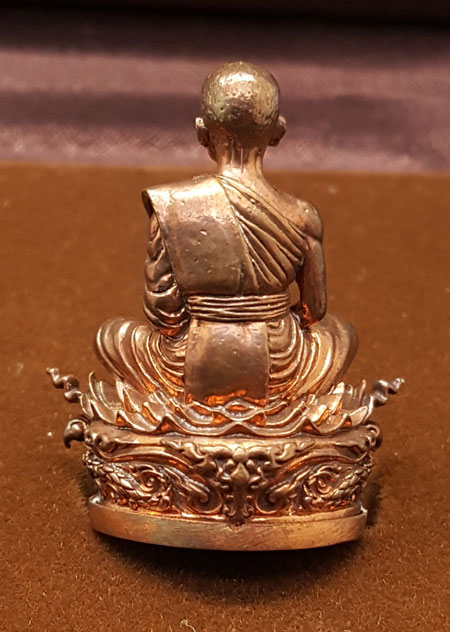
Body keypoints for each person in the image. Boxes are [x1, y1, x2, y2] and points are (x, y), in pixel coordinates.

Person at [95, 61, 357, 432]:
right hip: (282, 361)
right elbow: (315, 311)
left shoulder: (173, 205)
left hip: (188, 360)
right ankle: (279, 403)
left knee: (113, 336)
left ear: (201, 132)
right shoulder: (303, 215)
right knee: (340, 335)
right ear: (278, 132)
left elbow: (164, 316)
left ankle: (190, 405)